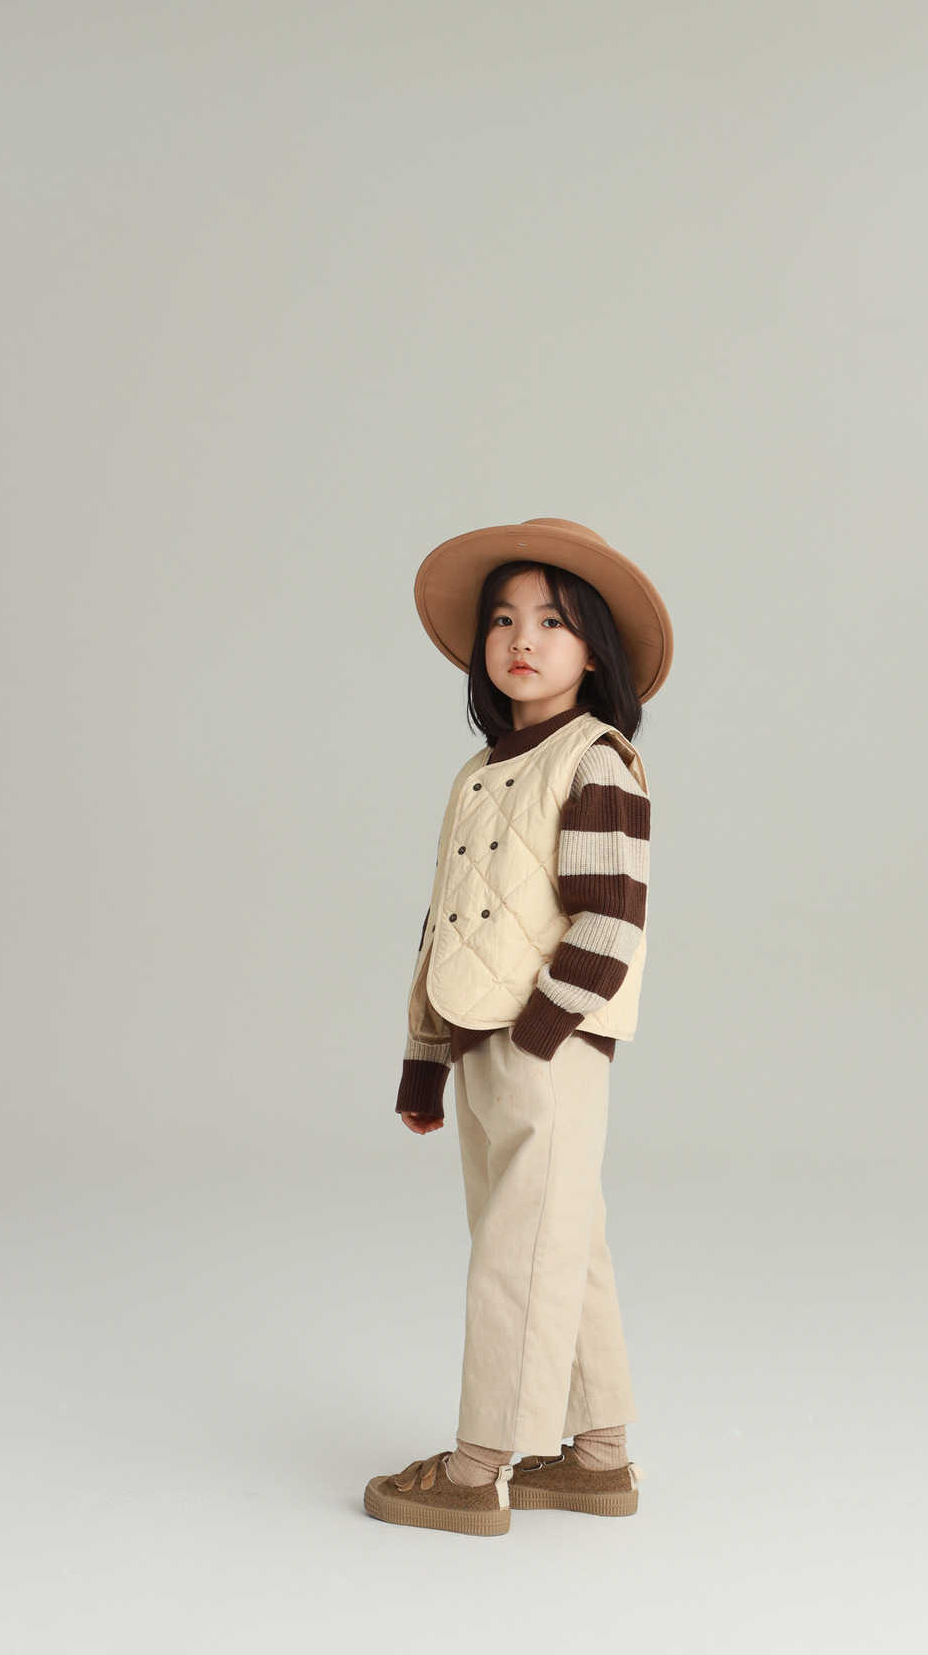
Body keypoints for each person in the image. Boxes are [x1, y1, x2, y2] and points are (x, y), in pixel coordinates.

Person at [363, 518, 673, 1536]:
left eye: (551, 621)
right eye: (502, 620)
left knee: (514, 1254)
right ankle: (597, 1457)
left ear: (595, 653)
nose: (521, 639)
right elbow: (446, 925)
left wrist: (536, 1039)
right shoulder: (481, 773)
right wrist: (424, 1061)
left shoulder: (597, 763)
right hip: (484, 1042)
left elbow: (609, 921)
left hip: (547, 1045)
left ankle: (477, 1467)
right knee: (559, 1241)